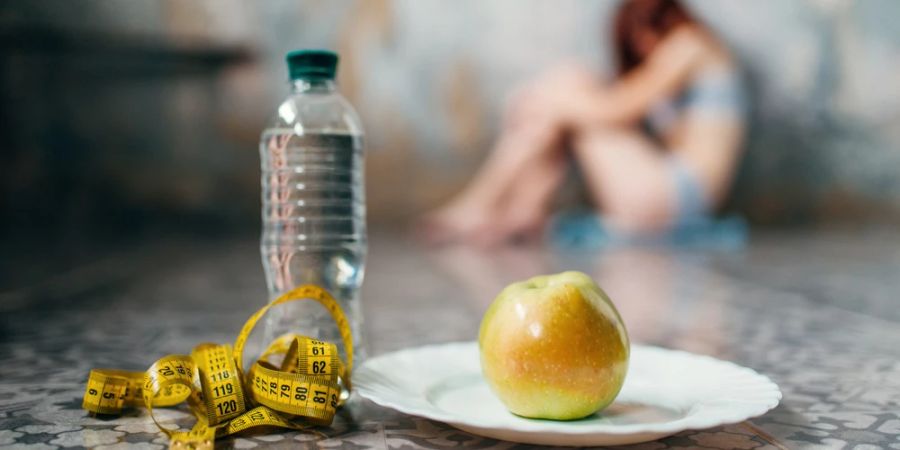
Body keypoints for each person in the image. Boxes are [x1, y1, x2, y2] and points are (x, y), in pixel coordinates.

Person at [419, 0, 747, 247]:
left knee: (570, 82)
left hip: (678, 196)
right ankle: (520, 209)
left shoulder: (688, 43)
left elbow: (618, 109)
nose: (644, 48)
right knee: (569, 87)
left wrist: (546, 100)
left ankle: (484, 203)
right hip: (670, 195)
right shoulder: (686, 58)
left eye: (642, 34)